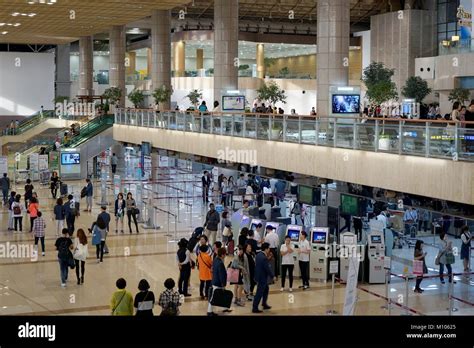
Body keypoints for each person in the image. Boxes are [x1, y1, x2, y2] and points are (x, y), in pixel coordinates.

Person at [252, 243, 274, 313]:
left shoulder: (259, 255)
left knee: (266, 289)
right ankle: (255, 308)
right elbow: (267, 268)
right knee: (259, 292)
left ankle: (264, 303)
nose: (269, 249)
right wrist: (272, 276)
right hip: (262, 277)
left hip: (258, 275)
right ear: (266, 249)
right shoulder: (264, 257)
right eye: (268, 248)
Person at [207, 247, 228, 316]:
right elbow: (221, 275)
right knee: (213, 298)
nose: (225, 255)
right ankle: (209, 312)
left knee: (213, 296)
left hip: (214, 280)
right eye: (225, 254)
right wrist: (223, 285)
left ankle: (211, 311)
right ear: (222, 255)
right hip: (217, 282)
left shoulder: (215, 259)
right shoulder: (220, 263)